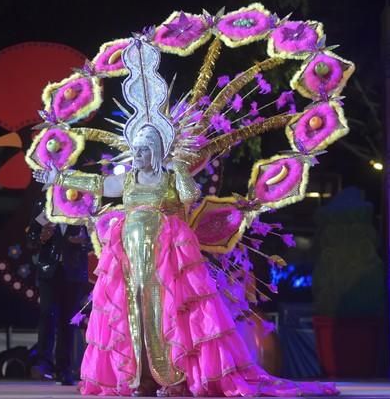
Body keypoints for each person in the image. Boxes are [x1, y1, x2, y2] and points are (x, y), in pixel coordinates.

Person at [32, 38, 340, 396]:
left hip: (167, 257)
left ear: (160, 148)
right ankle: (141, 376)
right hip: (130, 256)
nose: (142, 151)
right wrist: (60, 177)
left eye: (148, 146)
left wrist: (178, 170)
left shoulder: (168, 175)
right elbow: (99, 184)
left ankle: (176, 377)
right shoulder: (129, 178)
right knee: (135, 313)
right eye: (138, 147)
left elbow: (192, 196)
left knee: (170, 315)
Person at [26, 197, 91, 386]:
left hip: (73, 271)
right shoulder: (43, 205)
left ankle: (65, 369)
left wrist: (84, 240)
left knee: (68, 320)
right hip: (49, 270)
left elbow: (94, 238)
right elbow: (31, 238)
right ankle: (44, 363)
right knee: (47, 315)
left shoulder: (80, 205)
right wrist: (41, 237)